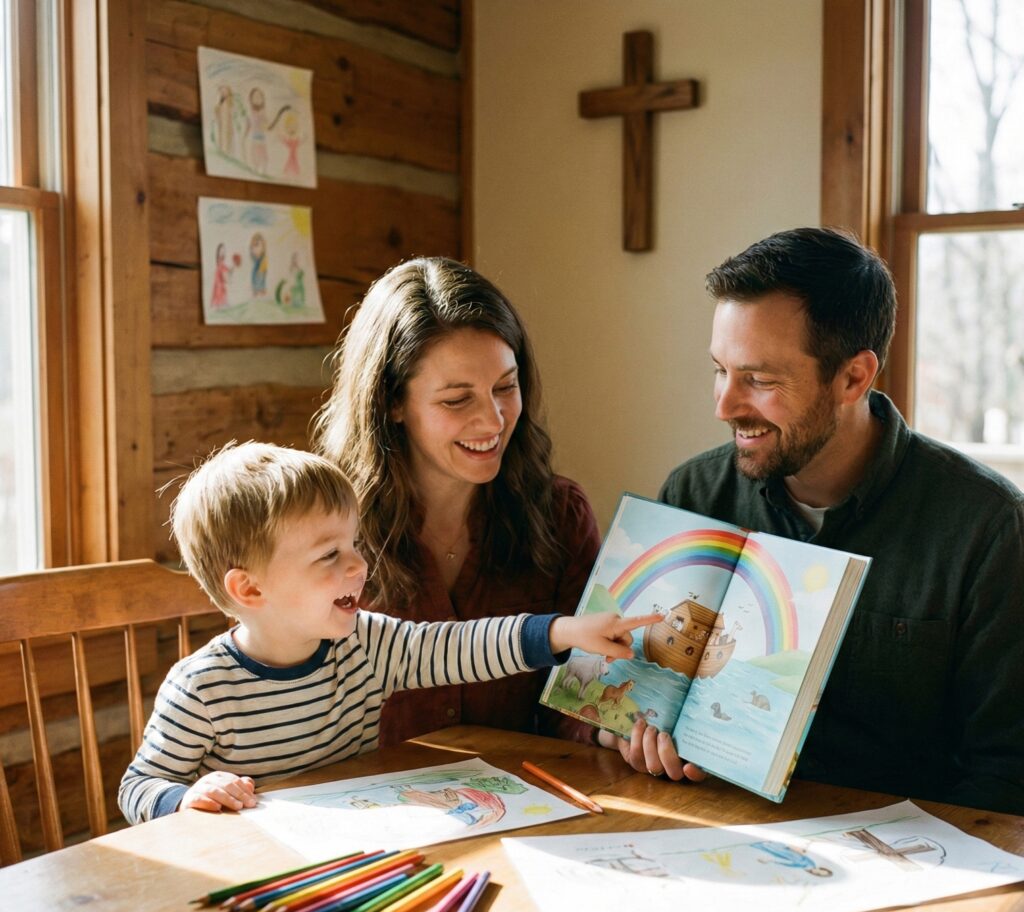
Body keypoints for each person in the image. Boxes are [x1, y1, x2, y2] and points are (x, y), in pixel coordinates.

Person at [607, 227, 1024, 815]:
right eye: (720, 370)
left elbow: (1008, 774)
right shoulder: (693, 493)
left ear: (854, 377)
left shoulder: (985, 527)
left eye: (759, 379)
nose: (723, 405)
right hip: (709, 831)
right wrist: (636, 733)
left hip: (910, 858)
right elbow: (639, 701)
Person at [117, 442, 654, 824]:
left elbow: (459, 646)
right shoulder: (201, 689)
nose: (358, 567)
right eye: (330, 555)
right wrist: (185, 798)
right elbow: (136, 787)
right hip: (247, 870)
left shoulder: (366, 646)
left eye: (354, 546)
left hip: (343, 853)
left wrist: (563, 631)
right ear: (250, 590)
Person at [314, 257, 601, 746]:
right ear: (391, 402)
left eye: (506, 388)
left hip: (525, 805)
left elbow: (574, 699)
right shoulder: (316, 529)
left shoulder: (560, 515)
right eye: (456, 400)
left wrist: (607, 730)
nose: (493, 421)